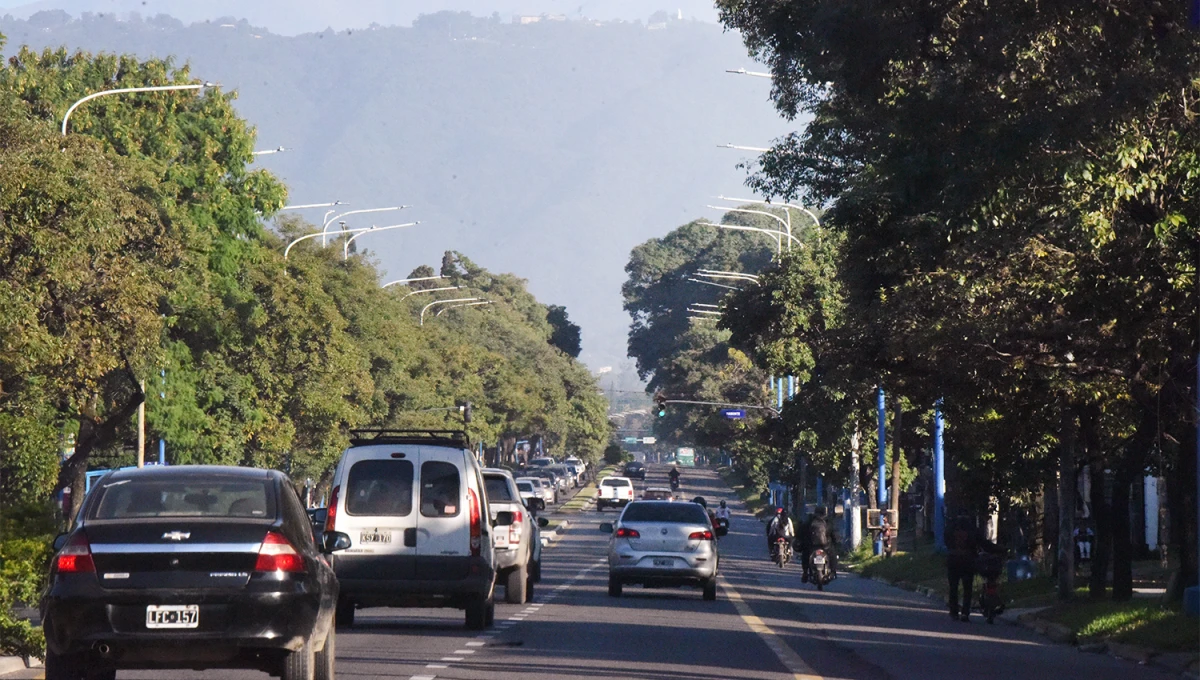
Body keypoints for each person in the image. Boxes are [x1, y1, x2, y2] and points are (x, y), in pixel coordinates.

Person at [946, 509, 998, 622]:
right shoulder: (972, 529)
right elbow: (983, 543)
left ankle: (954, 611)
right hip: (967, 560)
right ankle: (965, 612)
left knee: (953, 587)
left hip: (953, 559)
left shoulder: (951, 528)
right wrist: (997, 549)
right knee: (967, 587)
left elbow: (947, 542)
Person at [800, 506, 837, 582]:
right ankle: (833, 572)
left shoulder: (809, 521)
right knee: (833, 555)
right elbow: (834, 534)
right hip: (825, 546)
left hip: (811, 546)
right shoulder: (827, 522)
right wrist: (835, 542)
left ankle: (805, 572)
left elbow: (801, 533)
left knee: (805, 555)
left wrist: (801, 541)